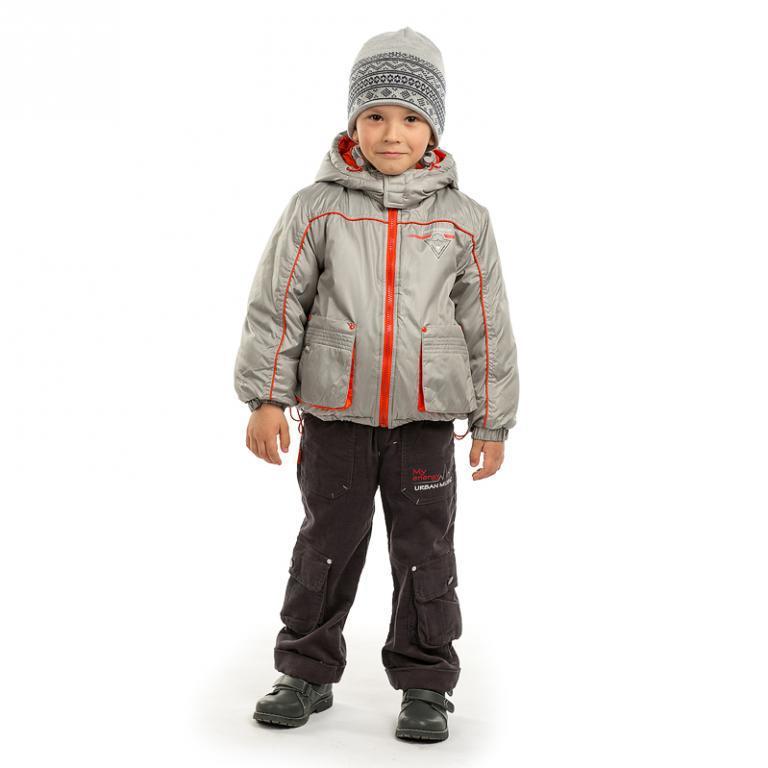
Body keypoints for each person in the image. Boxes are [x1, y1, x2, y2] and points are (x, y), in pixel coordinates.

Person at [233, 26, 519, 742]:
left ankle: (426, 682)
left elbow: (488, 325)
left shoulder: (465, 220)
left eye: (412, 118)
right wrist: (267, 398)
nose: (393, 133)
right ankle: (305, 671)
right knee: (325, 543)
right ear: (353, 123)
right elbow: (278, 304)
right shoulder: (317, 207)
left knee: (426, 550)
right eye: (376, 115)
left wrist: (492, 422)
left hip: (425, 421)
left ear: (434, 129)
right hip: (336, 417)